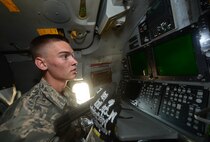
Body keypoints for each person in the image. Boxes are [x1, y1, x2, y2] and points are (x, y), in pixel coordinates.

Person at [0, 34, 78, 142]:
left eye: (73, 56)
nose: (75, 62)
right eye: (64, 56)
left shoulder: (65, 92)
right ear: (42, 64)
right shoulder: (29, 119)